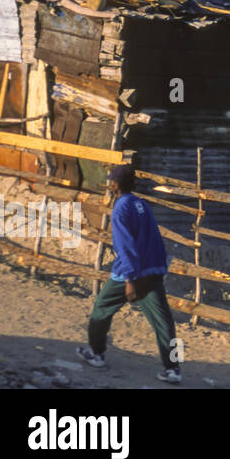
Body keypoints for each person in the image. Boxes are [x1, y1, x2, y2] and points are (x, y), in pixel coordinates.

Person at [77, 164, 181, 385]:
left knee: (101, 309)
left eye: (111, 181)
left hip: (131, 273)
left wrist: (129, 280)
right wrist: (159, 268)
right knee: (164, 322)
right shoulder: (141, 204)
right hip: (153, 270)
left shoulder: (121, 208)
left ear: (114, 185)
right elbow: (154, 238)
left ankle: (97, 354)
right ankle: (173, 368)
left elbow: (125, 247)